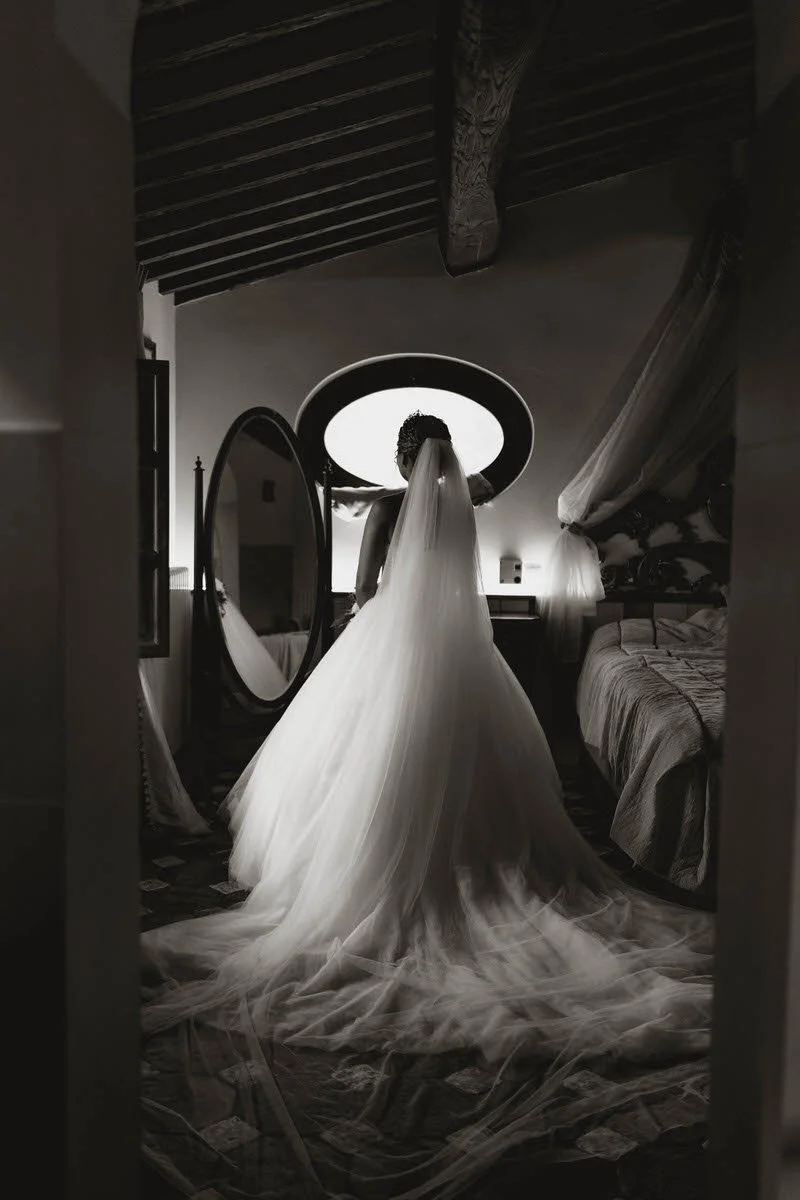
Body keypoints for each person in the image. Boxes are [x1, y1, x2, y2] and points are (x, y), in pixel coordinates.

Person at [142, 413, 712, 1198]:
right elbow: (458, 586)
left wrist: (354, 620)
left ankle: (362, 860)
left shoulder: (386, 505)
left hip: (390, 642)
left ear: (403, 456)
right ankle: (471, 856)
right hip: (458, 652)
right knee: (467, 766)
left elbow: (371, 583)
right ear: (445, 458)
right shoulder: (460, 507)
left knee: (362, 759)